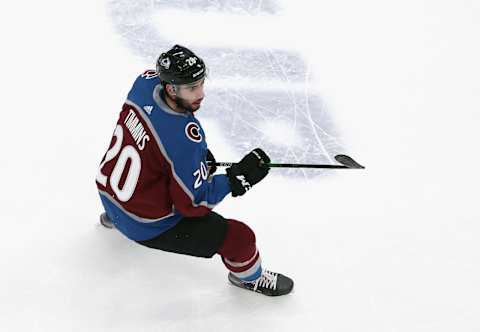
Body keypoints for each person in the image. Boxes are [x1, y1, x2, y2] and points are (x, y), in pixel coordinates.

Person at [95, 45, 293, 296]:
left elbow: (153, 148)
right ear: (171, 88)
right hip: (142, 225)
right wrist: (234, 181)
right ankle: (249, 278)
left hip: (109, 197)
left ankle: (113, 217)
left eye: (201, 84)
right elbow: (192, 203)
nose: (201, 94)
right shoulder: (183, 138)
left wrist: (195, 162)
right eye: (192, 88)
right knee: (241, 237)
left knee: (147, 168)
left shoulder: (143, 84)